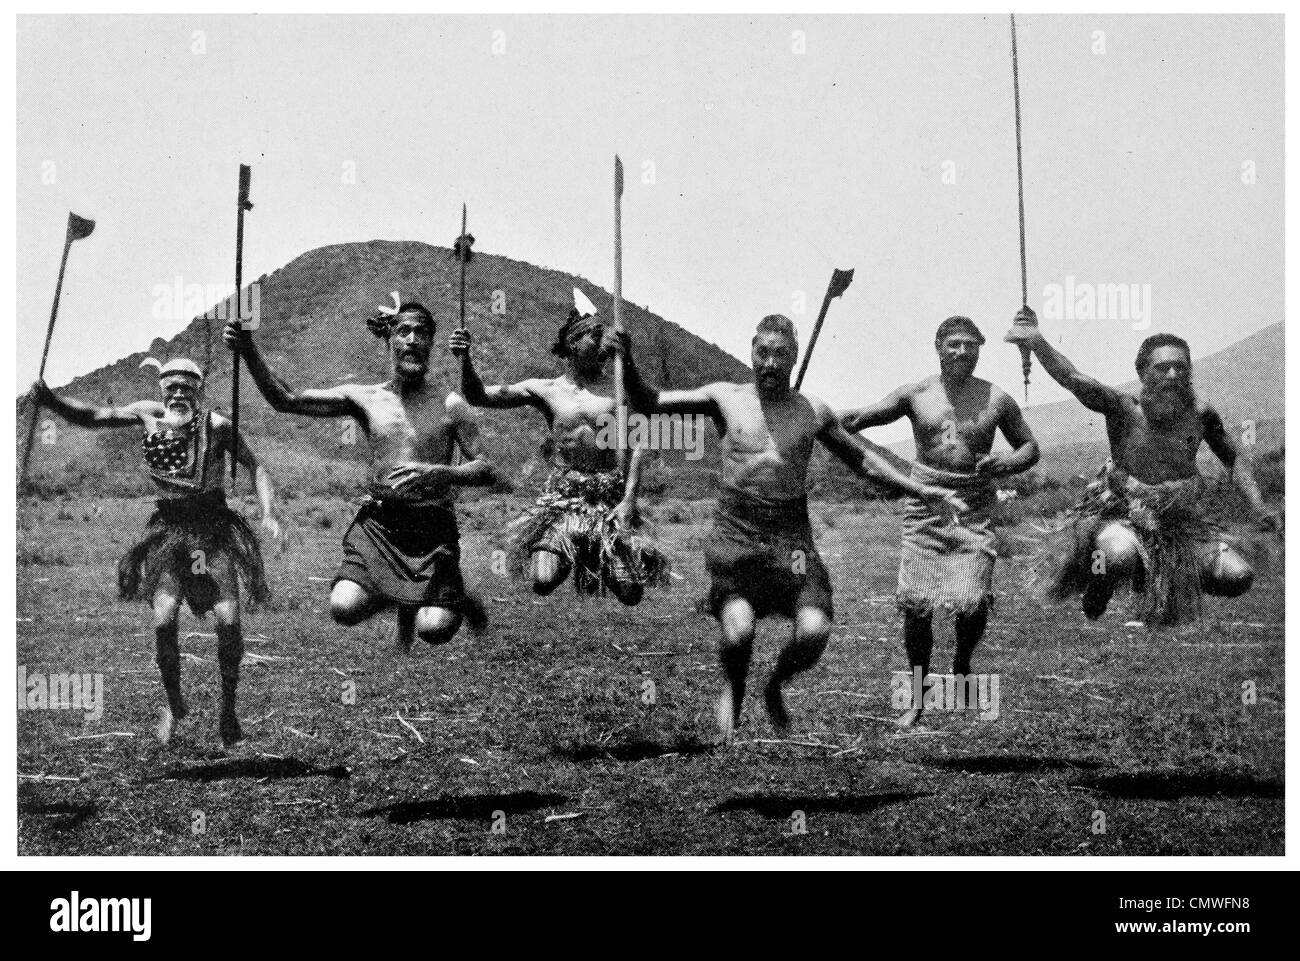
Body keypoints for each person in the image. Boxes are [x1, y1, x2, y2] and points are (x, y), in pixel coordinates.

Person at [616, 313, 966, 740]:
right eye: (761, 352)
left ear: (793, 358)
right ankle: (733, 686)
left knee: (815, 630)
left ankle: (777, 683)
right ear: (752, 351)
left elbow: (862, 459)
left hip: (791, 541)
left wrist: (916, 487)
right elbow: (649, 402)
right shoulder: (724, 397)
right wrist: (627, 359)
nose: (768, 362)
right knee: (740, 627)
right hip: (736, 532)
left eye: (779, 354)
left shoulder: (812, 412)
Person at [29, 359, 280, 746]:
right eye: (171, 386)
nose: (178, 393)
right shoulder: (148, 416)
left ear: (199, 389)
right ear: (161, 389)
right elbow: (97, 415)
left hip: (211, 532)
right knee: (164, 621)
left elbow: (257, 466)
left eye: (186, 386)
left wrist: (268, 513)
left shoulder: (218, 426)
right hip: (169, 533)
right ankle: (173, 699)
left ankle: (228, 707)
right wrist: (52, 401)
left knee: (228, 622)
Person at [224, 296, 495, 650]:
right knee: (343, 607)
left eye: (422, 333)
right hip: (380, 526)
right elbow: (286, 399)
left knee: (435, 631)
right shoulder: (365, 398)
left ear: (431, 343)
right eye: (404, 331)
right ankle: (401, 596)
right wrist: (248, 350)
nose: (413, 340)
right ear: (390, 339)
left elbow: (486, 468)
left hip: (432, 528)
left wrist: (439, 472)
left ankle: (449, 595)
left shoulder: (450, 404)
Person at [1007, 309, 1281, 627]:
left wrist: (1258, 506)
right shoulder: (1123, 408)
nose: (1173, 375)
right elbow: (1074, 379)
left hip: (1181, 524)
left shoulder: (1202, 415)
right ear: (1142, 372)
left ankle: (1152, 575)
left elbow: (1235, 459)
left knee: (1238, 577)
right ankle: (1101, 584)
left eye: (1181, 367)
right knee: (1116, 556)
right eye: (1162, 367)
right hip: (1123, 516)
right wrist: (1038, 342)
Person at [841, 316, 1039, 725]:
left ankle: (962, 666)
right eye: (953, 344)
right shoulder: (916, 393)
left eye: (970, 344)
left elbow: (1030, 447)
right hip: (925, 504)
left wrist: (1007, 462)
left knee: (972, 601)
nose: (962, 351)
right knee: (916, 605)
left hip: (974, 503)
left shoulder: (997, 399)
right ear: (938, 346)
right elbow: (863, 416)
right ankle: (917, 694)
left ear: (981, 348)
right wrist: (822, 416)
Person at [450, 288, 666, 605]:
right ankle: (572, 546)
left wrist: (630, 499)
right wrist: (465, 358)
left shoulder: (620, 387)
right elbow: (478, 396)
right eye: (595, 334)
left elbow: (641, 440)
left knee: (631, 592)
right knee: (543, 580)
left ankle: (598, 552)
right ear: (572, 343)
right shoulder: (546, 390)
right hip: (564, 499)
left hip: (609, 500)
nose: (605, 340)